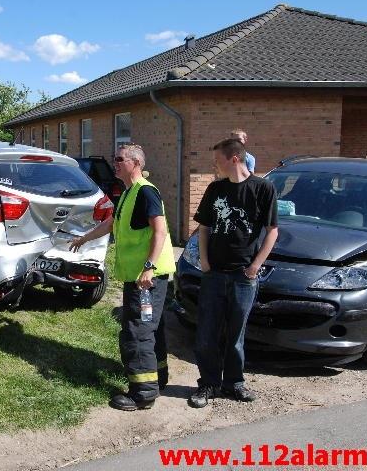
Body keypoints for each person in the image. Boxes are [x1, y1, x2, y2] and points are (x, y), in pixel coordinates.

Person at [70, 144, 176, 411]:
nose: (114, 163)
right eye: (114, 158)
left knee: (137, 331)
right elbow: (112, 223)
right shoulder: (129, 192)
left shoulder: (146, 192)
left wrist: (149, 267)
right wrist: (84, 238)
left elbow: (160, 232)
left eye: (119, 159)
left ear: (135, 163)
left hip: (148, 277)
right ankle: (157, 378)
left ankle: (143, 393)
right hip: (139, 275)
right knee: (151, 329)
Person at [189, 138, 278, 409]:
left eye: (218, 160)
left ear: (234, 158)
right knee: (207, 332)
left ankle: (234, 383)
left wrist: (255, 266)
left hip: (244, 276)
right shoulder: (216, 189)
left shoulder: (263, 189)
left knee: (236, 332)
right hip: (214, 273)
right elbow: (204, 226)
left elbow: (272, 230)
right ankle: (208, 383)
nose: (214, 165)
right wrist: (204, 261)